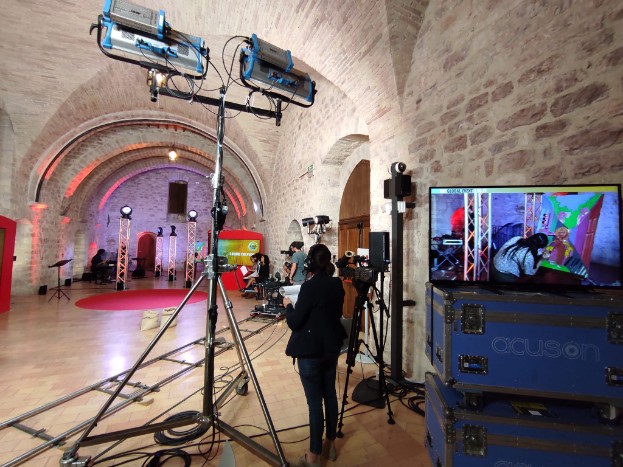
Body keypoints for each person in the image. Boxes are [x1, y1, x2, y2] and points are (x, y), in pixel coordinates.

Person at [282, 244, 346, 467]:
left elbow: (295, 322)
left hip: (311, 351)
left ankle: (313, 456)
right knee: (330, 395)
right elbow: (332, 313)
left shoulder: (309, 287)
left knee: (314, 403)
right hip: (331, 347)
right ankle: (330, 444)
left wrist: (288, 306)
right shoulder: (337, 284)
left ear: (309, 263)